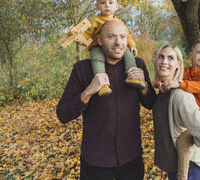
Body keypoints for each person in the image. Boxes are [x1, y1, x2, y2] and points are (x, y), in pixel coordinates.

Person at [56, 20, 156, 180]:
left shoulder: (137, 64)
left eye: (122, 37)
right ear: (100, 41)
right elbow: (62, 114)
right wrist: (88, 91)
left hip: (131, 160)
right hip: (96, 162)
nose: (118, 42)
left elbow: (151, 103)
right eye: (111, 37)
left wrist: (143, 87)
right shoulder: (82, 70)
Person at [152, 44, 200, 180]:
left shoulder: (181, 96)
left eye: (170, 58)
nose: (164, 61)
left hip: (189, 169)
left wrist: (186, 139)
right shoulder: (162, 91)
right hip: (173, 166)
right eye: (161, 57)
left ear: (178, 64)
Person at [75, 0, 145, 96]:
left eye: (110, 3)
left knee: (128, 54)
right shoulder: (95, 20)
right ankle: (102, 84)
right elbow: (87, 33)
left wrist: (132, 45)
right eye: (103, 3)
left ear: (116, 6)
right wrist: (82, 39)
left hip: (117, 49)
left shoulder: (119, 22)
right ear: (97, 6)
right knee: (97, 59)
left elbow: (127, 35)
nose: (107, 5)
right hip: (98, 47)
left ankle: (132, 75)